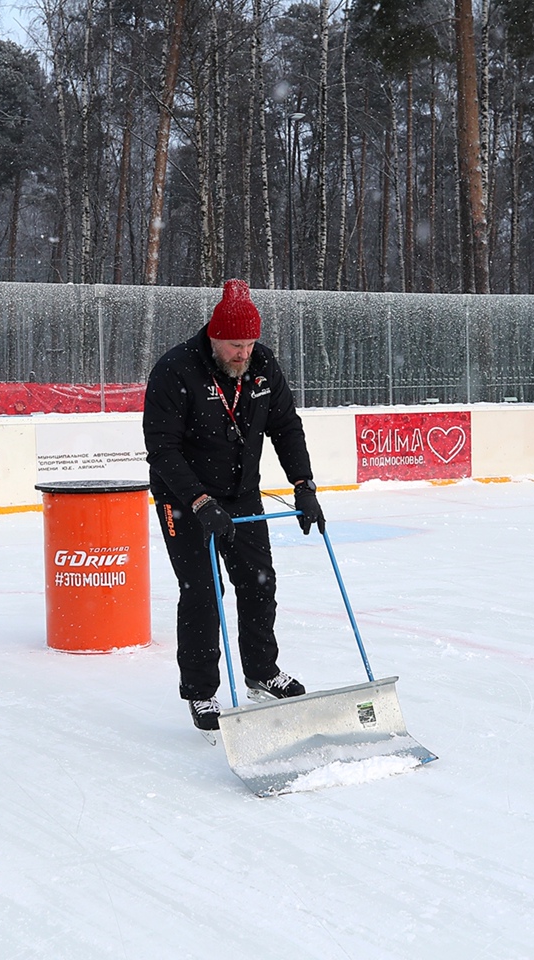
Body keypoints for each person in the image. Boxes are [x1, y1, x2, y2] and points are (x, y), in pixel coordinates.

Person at [143, 278, 325, 734]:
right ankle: (202, 693)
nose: (243, 353)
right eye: (234, 345)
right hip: (182, 497)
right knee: (203, 595)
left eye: (249, 343)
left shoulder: (263, 367)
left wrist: (304, 485)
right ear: (213, 336)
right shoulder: (176, 370)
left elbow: (287, 427)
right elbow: (162, 450)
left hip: (241, 493)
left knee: (259, 584)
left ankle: (262, 671)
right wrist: (200, 501)